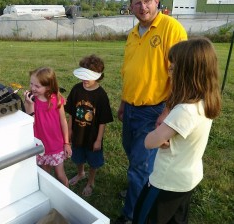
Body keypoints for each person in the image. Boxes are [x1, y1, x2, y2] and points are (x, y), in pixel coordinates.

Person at [132, 37, 222, 224]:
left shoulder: (184, 111)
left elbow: (150, 142)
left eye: (172, 68)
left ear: (186, 73)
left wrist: (157, 134)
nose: (169, 72)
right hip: (188, 179)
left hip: (166, 182)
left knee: (144, 217)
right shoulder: (205, 102)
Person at [115, 0, 187, 223]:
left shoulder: (171, 27)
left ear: (157, 1)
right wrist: (124, 102)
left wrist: (166, 111)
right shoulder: (133, 33)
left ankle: (131, 215)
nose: (142, 6)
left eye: (147, 0)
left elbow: (180, 73)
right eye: (136, 2)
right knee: (132, 153)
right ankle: (140, 186)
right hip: (131, 108)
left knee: (140, 164)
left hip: (153, 110)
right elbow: (130, 72)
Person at [65, 54, 113, 197]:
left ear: (98, 76)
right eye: (82, 75)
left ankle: (91, 181)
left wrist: (98, 140)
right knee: (78, 156)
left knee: (93, 160)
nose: (84, 79)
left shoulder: (101, 95)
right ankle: (81, 173)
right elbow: (71, 113)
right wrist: (69, 130)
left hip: (92, 137)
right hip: (78, 133)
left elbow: (103, 120)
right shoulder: (76, 89)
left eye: (89, 76)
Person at [24, 67, 72, 187]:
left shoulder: (57, 99)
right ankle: (51, 194)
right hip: (41, 146)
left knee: (60, 175)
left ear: (49, 86)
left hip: (56, 145)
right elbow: (31, 123)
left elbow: (63, 121)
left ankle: (67, 195)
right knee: (46, 175)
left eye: (37, 86)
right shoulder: (31, 100)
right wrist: (29, 104)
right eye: (31, 84)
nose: (33, 88)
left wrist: (66, 143)